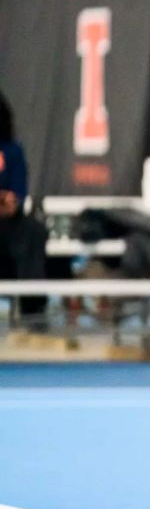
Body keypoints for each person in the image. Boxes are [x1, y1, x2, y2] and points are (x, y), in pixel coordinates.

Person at [0, 89, 49, 332]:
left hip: (8, 225)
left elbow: (15, 199)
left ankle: (33, 313)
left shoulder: (13, 151)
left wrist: (8, 202)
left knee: (35, 232)